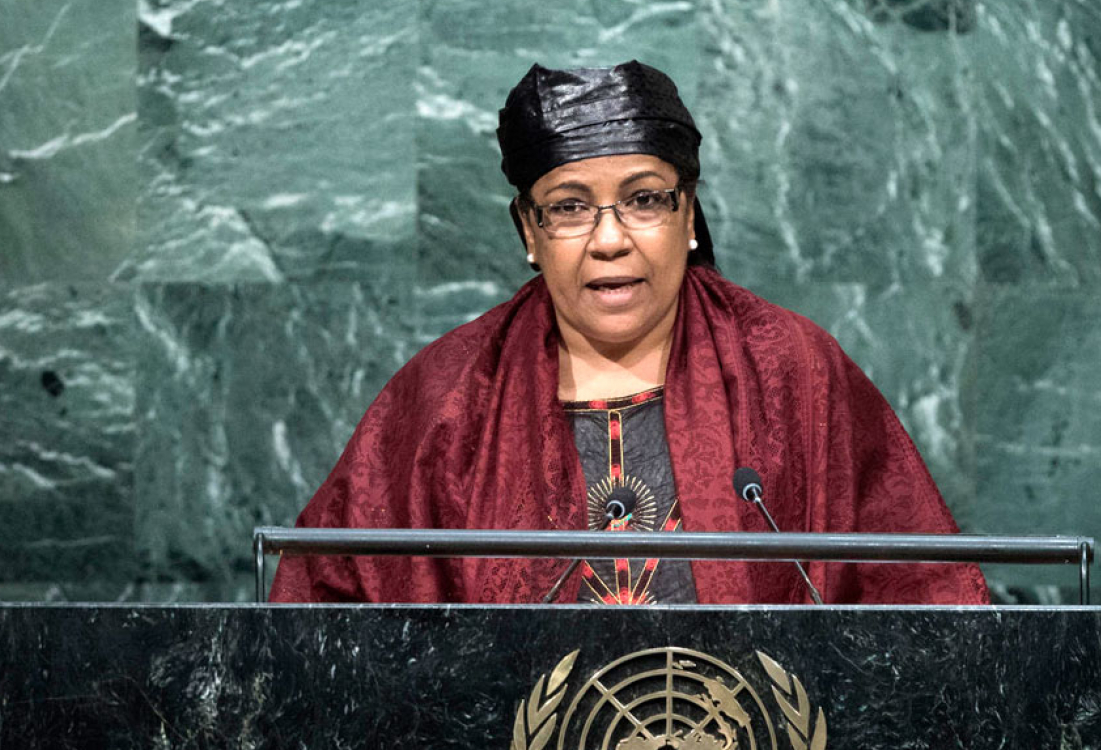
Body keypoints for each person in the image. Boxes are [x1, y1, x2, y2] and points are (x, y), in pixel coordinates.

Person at [269, 61, 989, 605]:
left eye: (645, 200)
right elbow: (322, 613)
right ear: (528, 229)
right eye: (571, 207)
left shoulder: (791, 367)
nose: (610, 240)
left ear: (687, 212)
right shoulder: (445, 396)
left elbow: (927, 602)